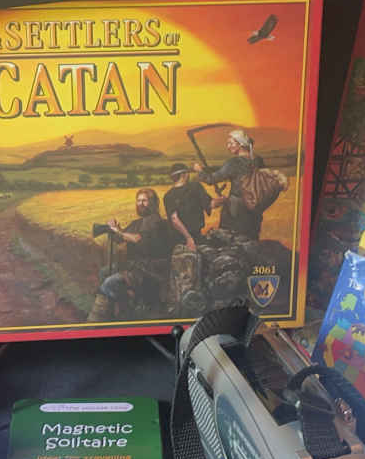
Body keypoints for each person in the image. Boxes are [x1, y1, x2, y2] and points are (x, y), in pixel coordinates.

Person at [87, 187, 176, 321]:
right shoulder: (138, 223)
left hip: (149, 271)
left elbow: (136, 239)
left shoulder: (155, 221)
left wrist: (118, 232)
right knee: (104, 272)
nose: (140, 204)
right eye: (138, 201)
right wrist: (116, 229)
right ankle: (122, 310)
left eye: (144, 201)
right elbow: (121, 238)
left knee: (110, 282)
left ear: (153, 203)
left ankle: (96, 321)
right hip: (136, 267)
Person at [193, 128, 267, 240]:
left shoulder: (234, 162)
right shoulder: (258, 160)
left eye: (231, 143)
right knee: (251, 240)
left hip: (236, 210)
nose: (228, 146)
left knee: (230, 241)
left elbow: (211, 179)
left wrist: (200, 171)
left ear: (240, 144)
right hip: (254, 208)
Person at [162, 164, 210, 250]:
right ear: (183, 175)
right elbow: (210, 204)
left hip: (177, 239)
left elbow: (174, 218)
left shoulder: (168, 195)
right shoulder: (195, 187)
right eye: (188, 172)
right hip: (193, 237)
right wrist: (189, 238)